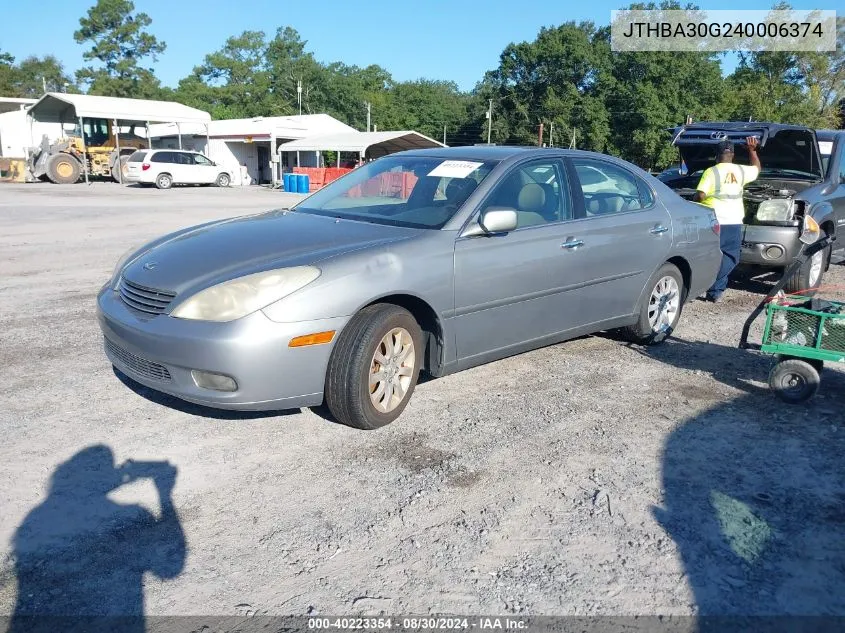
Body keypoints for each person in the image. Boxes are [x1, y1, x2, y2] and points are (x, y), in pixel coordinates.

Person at [694, 136, 762, 303]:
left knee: (711, 255)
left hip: (712, 221)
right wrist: (752, 151)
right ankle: (714, 289)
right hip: (733, 220)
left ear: (716, 156)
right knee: (730, 256)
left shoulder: (711, 172)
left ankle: (711, 288)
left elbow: (701, 195)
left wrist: (694, 200)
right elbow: (757, 168)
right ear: (732, 154)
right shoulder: (740, 171)